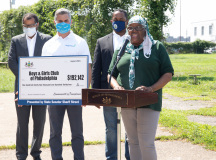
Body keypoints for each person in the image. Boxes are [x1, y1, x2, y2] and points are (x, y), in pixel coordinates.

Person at [108, 15, 174, 160]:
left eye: (138, 27)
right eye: (131, 28)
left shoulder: (157, 47)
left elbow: (168, 73)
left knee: (146, 143)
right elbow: (110, 74)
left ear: (145, 29)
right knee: (132, 142)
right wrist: (117, 86)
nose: (133, 31)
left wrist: (151, 88)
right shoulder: (122, 48)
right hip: (127, 102)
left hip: (149, 102)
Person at [41, 8, 92, 160]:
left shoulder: (80, 42)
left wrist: (85, 92)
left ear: (70, 21)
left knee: (77, 132)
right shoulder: (48, 45)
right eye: (60, 21)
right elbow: (43, 70)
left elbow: (87, 67)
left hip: (75, 96)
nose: (63, 23)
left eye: (66, 21)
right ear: (54, 22)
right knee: (54, 132)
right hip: (54, 96)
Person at [8, 13, 52, 160]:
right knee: (22, 122)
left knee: (39, 122)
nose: (28, 28)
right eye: (25, 26)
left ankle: (36, 152)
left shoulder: (47, 40)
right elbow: (11, 62)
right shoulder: (16, 40)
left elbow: (51, 62)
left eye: (31, 25)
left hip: (41, 89)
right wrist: (26, 79)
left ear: (37, 24)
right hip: (22, 88)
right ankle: (21, 154)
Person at [91, 9, 130, 160]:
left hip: (129, 90)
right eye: (115, 19)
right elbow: (96, 68)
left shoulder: (134, 40)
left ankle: (129, 156)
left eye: (121, 19)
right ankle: (111, 157)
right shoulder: (102, 41)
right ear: (111, 21)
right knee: (111, 128)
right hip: (108, 91)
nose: (117, 21)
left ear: (126, 21)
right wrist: (95, 93)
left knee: (129, 128)